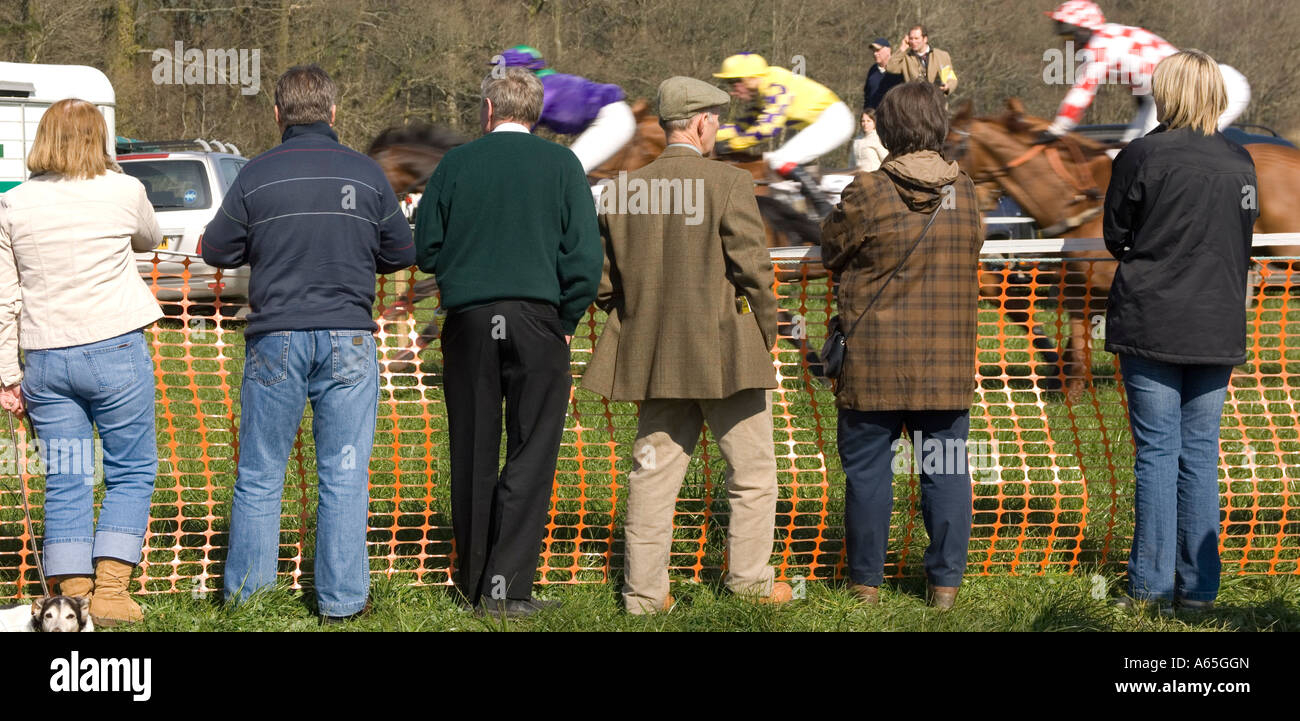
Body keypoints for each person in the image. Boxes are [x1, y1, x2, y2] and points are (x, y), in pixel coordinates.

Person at [202, 65, 414, 621]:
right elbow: (401, 252)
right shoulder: (366, 174)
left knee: (260, 473)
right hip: (348, 335)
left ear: (277, 114)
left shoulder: (256, 174)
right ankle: (342, 602)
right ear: (334, 113)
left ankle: (249, 600)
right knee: (344, 474)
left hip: (276, 337)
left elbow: (216, 249)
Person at [582, 76, 789, 614]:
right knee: (751, 475)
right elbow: (754, 272)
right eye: (716, 120)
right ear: (700, 123)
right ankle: (749, 584)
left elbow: (603, 283)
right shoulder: (728, 182)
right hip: (728, 354)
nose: (717, 129)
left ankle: (644, 596)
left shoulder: (623, 189)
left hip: (654, 356)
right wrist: (764, 334)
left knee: (652, 476)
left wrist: (641, 318)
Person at [414, 66, 602, 616]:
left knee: (471, 450)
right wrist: (564, 320)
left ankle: (472, 584)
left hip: (470, 322)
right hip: (538, 321)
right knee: (530, 453)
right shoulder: (563, 164)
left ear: (489, 111)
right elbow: (586, 262)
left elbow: (425, 247)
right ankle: (506, 589)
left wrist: (466, 272)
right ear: (536, 115)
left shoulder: (456, 163)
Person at [1103, 50, 1258, 612]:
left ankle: (1150, 590)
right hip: (1216, 324)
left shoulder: (1141, 155)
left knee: (1158, 454)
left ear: (1166, 93)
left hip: (1152, 318)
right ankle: (1198, 592)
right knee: (1199, 454)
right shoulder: (1241, 160)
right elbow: (1240, 236)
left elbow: (1115, 235)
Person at [0, 98, 163, 626]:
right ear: (101, 139)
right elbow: (149, 237)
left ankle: (72, 594)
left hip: (45, 355)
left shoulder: (13, 204)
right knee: (131, 469)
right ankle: (112, 593)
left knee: (67, 474)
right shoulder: (125, 189)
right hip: (115, 347)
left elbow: (5, 298)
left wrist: (6, 376)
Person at [820, 81, 983, 609]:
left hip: (873, 362)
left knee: (868, 473)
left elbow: (831, 248)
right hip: (946, 362)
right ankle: (944, 589)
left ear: (887, 130)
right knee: (947, 470)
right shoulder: (968, 192)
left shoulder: (867, 190)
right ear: (939, 128)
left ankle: (865, 585)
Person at [1041, 0, 1252, 143]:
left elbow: (1082, 93)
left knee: (1163, 152)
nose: (1067, 44)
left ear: (1083, 30)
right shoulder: (1112, 32)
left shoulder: (1099, 47)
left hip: (1214, 91)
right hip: (1184, 93)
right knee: (1125, 154)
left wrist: (1057, 128)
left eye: (1069, 37)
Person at [496, 45, 637, 173]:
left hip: (612, 121)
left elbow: (517, 132)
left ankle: (598, 199)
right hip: (609, 118)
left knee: (567, 172)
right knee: (567, 171)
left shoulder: (540, 89)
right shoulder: (544, 83)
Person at [713, 52, 855, 178]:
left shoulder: (775, 87)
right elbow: (742, 127)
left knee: (779, 161)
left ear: (751, 77)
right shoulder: (762, 91)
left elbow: (767, 129)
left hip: (835, 122)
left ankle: (823, 206)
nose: (732, 91)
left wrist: (733, 144)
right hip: (825, 120)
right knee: (771, 160)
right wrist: (712, 135)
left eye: (734, 82)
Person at [885, 25, 958, 95]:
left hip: (937, 102)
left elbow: (950, 77)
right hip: (915, 103)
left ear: (925, 39)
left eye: (916, 38)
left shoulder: (941, 56)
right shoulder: (905, 58)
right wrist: (902, 49)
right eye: (911, 38)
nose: (913, 42)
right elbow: (890, 67)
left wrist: (947, 86)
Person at [863, 37, 904, 110]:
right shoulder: (873, 70)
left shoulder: (899, 69)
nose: (875, 53)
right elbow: (867, 95)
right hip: (875, 116)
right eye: (874, 51)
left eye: (878, 50)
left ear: (888, 50)